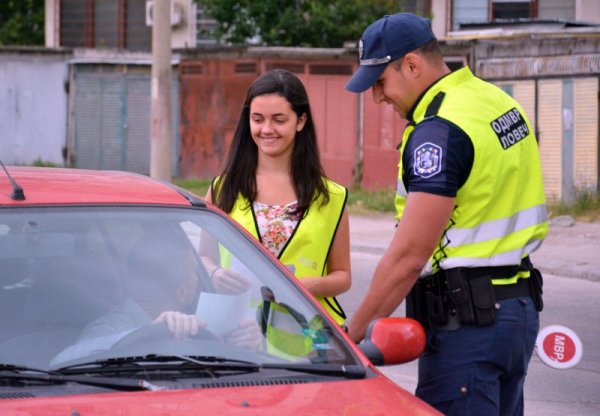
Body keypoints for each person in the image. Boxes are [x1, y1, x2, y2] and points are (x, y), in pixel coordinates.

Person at [345, 13, 549, 416]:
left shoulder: (439, 130)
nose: (379, 98)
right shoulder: (496, 101)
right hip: (515, 314)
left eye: (381, 82)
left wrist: (350, 339)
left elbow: (408, 257)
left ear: (412, 65)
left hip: (466, 330)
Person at [205, 68, 352, 328]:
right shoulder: (223, 189)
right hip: (238, 335)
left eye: (279, 120)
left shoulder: (331, 197)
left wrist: (311, 285)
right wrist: (215, 274)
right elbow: (203, 259)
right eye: (258, 119)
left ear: (301, 121)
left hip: (308, 338)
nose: (267, 129)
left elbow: (342, 276)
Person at [51, 234, 261, 366]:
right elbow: (60, 361)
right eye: (194, 275)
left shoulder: (198, 320)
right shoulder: (114, 325)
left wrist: (245, 347)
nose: (199, 282)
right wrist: (146, 333)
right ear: (183, 292)